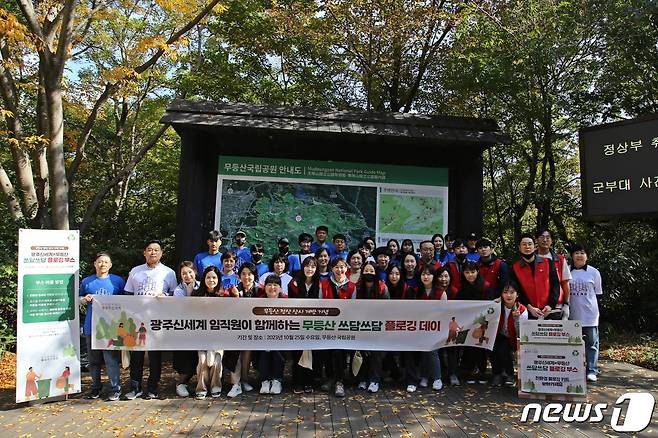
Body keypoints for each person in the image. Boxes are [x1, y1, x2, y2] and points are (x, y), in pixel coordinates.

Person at [123, 240, 177, 400]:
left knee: (155, 356)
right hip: (137, 319)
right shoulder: (135, 271)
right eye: (149, 250)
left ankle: (153, 387)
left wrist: (166, 296)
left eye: (156, 250)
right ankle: (135, 387)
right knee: (136, 356)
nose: (153, 252)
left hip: (157, 321)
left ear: (161, 253)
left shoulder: (169, 273)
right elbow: (127, 294)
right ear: (144, 252)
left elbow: (176, 294)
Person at [80, 252, 125, 401]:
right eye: (100, 262)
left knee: (111, 360)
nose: (103, 264)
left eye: (106, 262)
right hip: (91, 326)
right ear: (95, 264)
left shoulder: (118, 281)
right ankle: (95, 388)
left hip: (111, 327)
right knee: (93, 361)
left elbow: (127, 301)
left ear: (110, 265)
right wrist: (84, 299)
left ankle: (115, 388)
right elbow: (79, 299)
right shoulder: (87, 282)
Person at [319, 257, 357, 397]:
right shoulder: (323, 284)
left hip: (344, 326)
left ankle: (339, 381)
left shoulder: (352, 286)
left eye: (342, 267)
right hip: (327, 325)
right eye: (336, 267)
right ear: (331, 269)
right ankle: (330, 377)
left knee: (339, 352)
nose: (339, 270)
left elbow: (354, 308)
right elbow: (319, 305)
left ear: (346, 268)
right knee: (327, 352)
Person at [568, 243, 603, 382]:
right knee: (572, 344)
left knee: (592, 343)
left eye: (582, 253)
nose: (579, 255)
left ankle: (592, 370)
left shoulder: (594, 272)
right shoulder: (566, 271)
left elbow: (598, 294)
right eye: (576, 253)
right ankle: (573, 369)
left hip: (589, 315)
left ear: (587, 256)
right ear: (572, 255)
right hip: (571, 315)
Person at [193, 266, 229, 399]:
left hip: (219, 336)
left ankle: (215, 386)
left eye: (214, 277)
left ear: (218, 279)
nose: (211, 280)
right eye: (208, 277)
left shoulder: (224, 295)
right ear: (204, 279)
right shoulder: (196, 294)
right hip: (201, 336)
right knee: (203, 361)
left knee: (216, 361)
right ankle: (201, 387)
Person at [408, 265, 446, 392]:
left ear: (434, 276)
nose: (426, 276)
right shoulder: (415, 291)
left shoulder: (441, 292)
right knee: (424, 351)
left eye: (429, 274)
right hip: (418, 327)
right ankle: (424, 376)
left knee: (432, 350)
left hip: (435, 328)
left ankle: (437, 378)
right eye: (423, 274)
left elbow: (444, 313)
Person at [457, 261, 494, 384]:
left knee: (480, 346)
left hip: (482, 322)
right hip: (467, 323)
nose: (470, 275)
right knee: (468, 347)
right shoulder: (462, 288)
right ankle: (470, 371)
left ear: (477, 272)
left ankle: (482, 372)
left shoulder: (486, 286)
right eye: (467, 272)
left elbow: (490, 305)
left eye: (472, 272)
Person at [226, 263, 259, 398]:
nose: (246, 277)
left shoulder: (260, 291)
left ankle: (244, 379)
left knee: (247, 353)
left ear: (254, 276)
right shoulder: (232, 290)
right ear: (239, 276)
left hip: (254, 330)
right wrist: (235, 297)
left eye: (249, 274)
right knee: (236, 354)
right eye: (243, 274)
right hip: (235, 329)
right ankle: (235, 383)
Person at [288, 256, 321, 393]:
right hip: (297, 324)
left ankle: (309, 382)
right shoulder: (294, 283)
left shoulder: (320, 284)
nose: (310, 269)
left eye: (313, 266)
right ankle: (297, 382)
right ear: (303, 267)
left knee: (312, 353)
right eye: (307, 266)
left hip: (313, 324)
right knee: (298, 353)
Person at [355, 262, 390, 393]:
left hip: (378, 327)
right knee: (362, 352)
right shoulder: (357, 287)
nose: (368, 273)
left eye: (371, 271)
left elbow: (387, 309)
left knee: (376, 353)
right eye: (366, 271)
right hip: (360, 326)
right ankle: (362, 379)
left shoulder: (382, 287)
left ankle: (375, 380)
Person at [511, 233, 560, 320]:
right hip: (528, 312)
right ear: (519, 247)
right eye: (524, 244)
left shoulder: (548, 263)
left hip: (549, 311)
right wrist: (529, 307)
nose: (527, 247)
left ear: (535, 246)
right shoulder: (515, 267)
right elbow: (517, 290)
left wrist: (550, 305)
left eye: (530, 244)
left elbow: (555, 285)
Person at [491, 282, 528, 387]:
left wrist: (516, 319)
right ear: (501, 294)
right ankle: (496, 374)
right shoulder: (496, 306)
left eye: (512, 292)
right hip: (499, 335)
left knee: (503, 349)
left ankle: (509, 374)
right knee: (492, 347)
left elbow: (521, 333)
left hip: (513, 337)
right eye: (505, 292)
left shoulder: (522, 310)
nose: (508, 295)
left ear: (517, 294)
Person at [172, 261, 199, 398]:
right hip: (185, 330)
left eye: (190, 272)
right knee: (186, 359)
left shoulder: (202, 285)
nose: (187, 275)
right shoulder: (178, 290)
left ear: (195, 272)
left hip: (202, 330)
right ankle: (181, 383)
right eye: (184, 273)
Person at [258, 275, 287, 395]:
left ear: (280, 288)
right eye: (269, 284)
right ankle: (264, 380)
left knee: (277, 350)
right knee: (264, 350)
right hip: (262, 336)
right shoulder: (258, 301)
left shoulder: (286, 301)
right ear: (264, 287)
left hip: (282, 337)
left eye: (275, 285)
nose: (272, 287)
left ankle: (277, 380)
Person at [536, 229, 572, 319]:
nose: (545, 240)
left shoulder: (559, 259)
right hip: (535, 308)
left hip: (556, 307)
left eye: (548, 237)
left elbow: (565, 283)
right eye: (542, 237)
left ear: (551, 241)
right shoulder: (530, 259)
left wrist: (566, 304)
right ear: (536, 240)